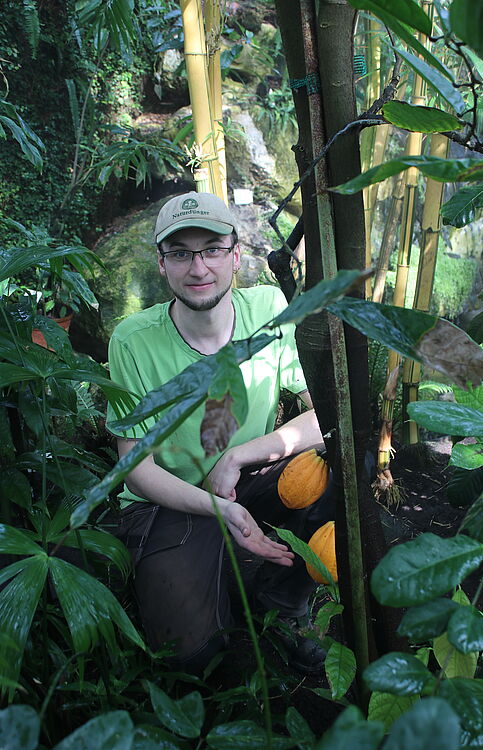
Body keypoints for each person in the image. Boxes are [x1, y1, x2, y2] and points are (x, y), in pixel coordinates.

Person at [106, 191, 333, 673]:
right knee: (193, 658)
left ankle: (284, 602)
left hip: (246, 478)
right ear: (162, 264)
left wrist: (238, 457)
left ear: (234, 255)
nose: (199, 267)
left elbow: (325, 419)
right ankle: (214, 575)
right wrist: (216, 506)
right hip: (169, 501)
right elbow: (135, 470)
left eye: (211, 248)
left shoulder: (270, 308)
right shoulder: (132, 341)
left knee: (338, 470)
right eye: (182, 253)